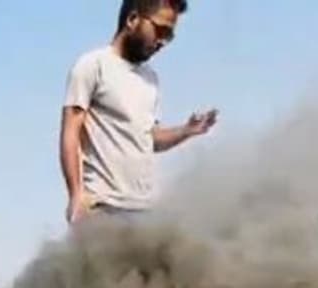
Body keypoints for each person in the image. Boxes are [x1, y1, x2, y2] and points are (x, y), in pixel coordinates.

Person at [60, 0, 217, 223]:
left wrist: (186, 131)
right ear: (132, 19)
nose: (162, 41)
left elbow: (149, 138)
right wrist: (76, 194)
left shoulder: (151, 80)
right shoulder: (92, 66)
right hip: (103, 207)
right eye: (160, 30)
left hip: (144, 211)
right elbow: (71, 132)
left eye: (169, 36)